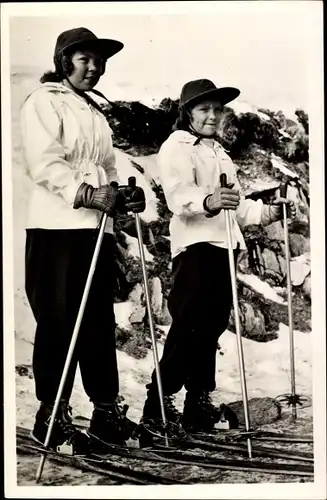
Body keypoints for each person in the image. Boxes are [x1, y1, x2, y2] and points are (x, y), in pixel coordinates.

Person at [141, 78, 297, 434]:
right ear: (187, 113)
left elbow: (237, 206)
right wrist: (208, 201)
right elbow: (178, 196)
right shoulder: (177, 147)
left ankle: (197, 402)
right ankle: (157, 407)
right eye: (204, 109)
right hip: (196, 246)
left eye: (217, 109)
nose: (213, 115)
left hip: (224, 246)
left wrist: (267, 213)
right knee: (188, 326)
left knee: (209, 328)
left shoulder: (217, 151)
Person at [20, 27, 145, 454]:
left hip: (95, 230)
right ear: (64, 61)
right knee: (58, 324)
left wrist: (121, 195)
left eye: (99, 60)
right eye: (84, 59)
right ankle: (50, 418)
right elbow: (43, 161)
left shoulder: (92, 111)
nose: (94, 67)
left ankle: (105, 412)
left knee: (96, 324)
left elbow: (106, 164)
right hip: (56, 227)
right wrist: (87, 194)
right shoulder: (44, 101)